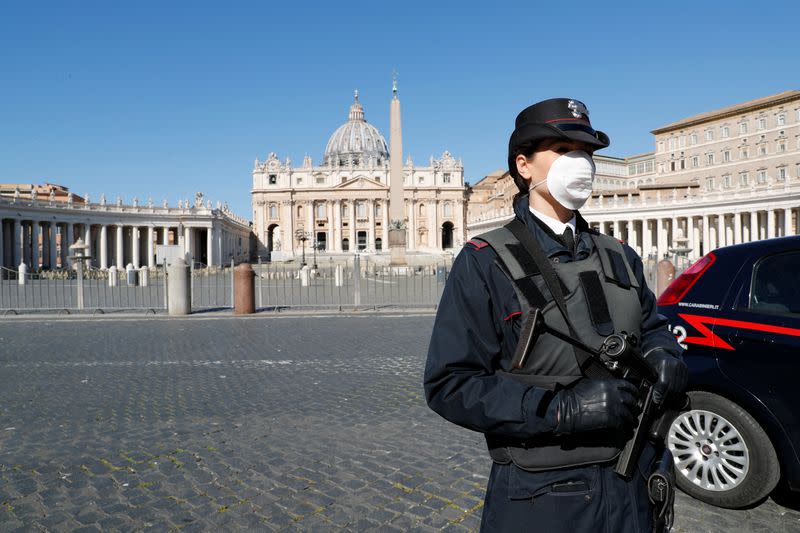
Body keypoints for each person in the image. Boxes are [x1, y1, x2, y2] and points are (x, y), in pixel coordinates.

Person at [424, 98, 688, 532]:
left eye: (586, 153)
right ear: (524, 165)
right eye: (564, 151)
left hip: (632, 482)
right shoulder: (483, 261)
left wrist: (665, 359)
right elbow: (450, 383)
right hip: (542, 494)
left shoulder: (620, 255)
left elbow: (654, 329)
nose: (580, 163)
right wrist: (559, 409)